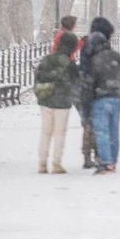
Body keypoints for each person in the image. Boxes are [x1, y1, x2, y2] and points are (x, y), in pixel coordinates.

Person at [81, 18, 120, 174]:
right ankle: (113, 160)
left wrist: (87, 100)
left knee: (102, 131)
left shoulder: (94, 60)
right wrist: (117, 85)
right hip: (116, 97)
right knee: (113, 130)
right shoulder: (119, 58)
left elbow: (89, 82)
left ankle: (106, 161)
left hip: (100, 97)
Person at [34, 32, 80, 174]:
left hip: (46, 99)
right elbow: (76, 84)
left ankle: (42, 163)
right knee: (59, 133)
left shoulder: (47, 60)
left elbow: (38, 77)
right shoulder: (71, 65)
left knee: (45, 132)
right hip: (62, 102)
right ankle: (56, 163)